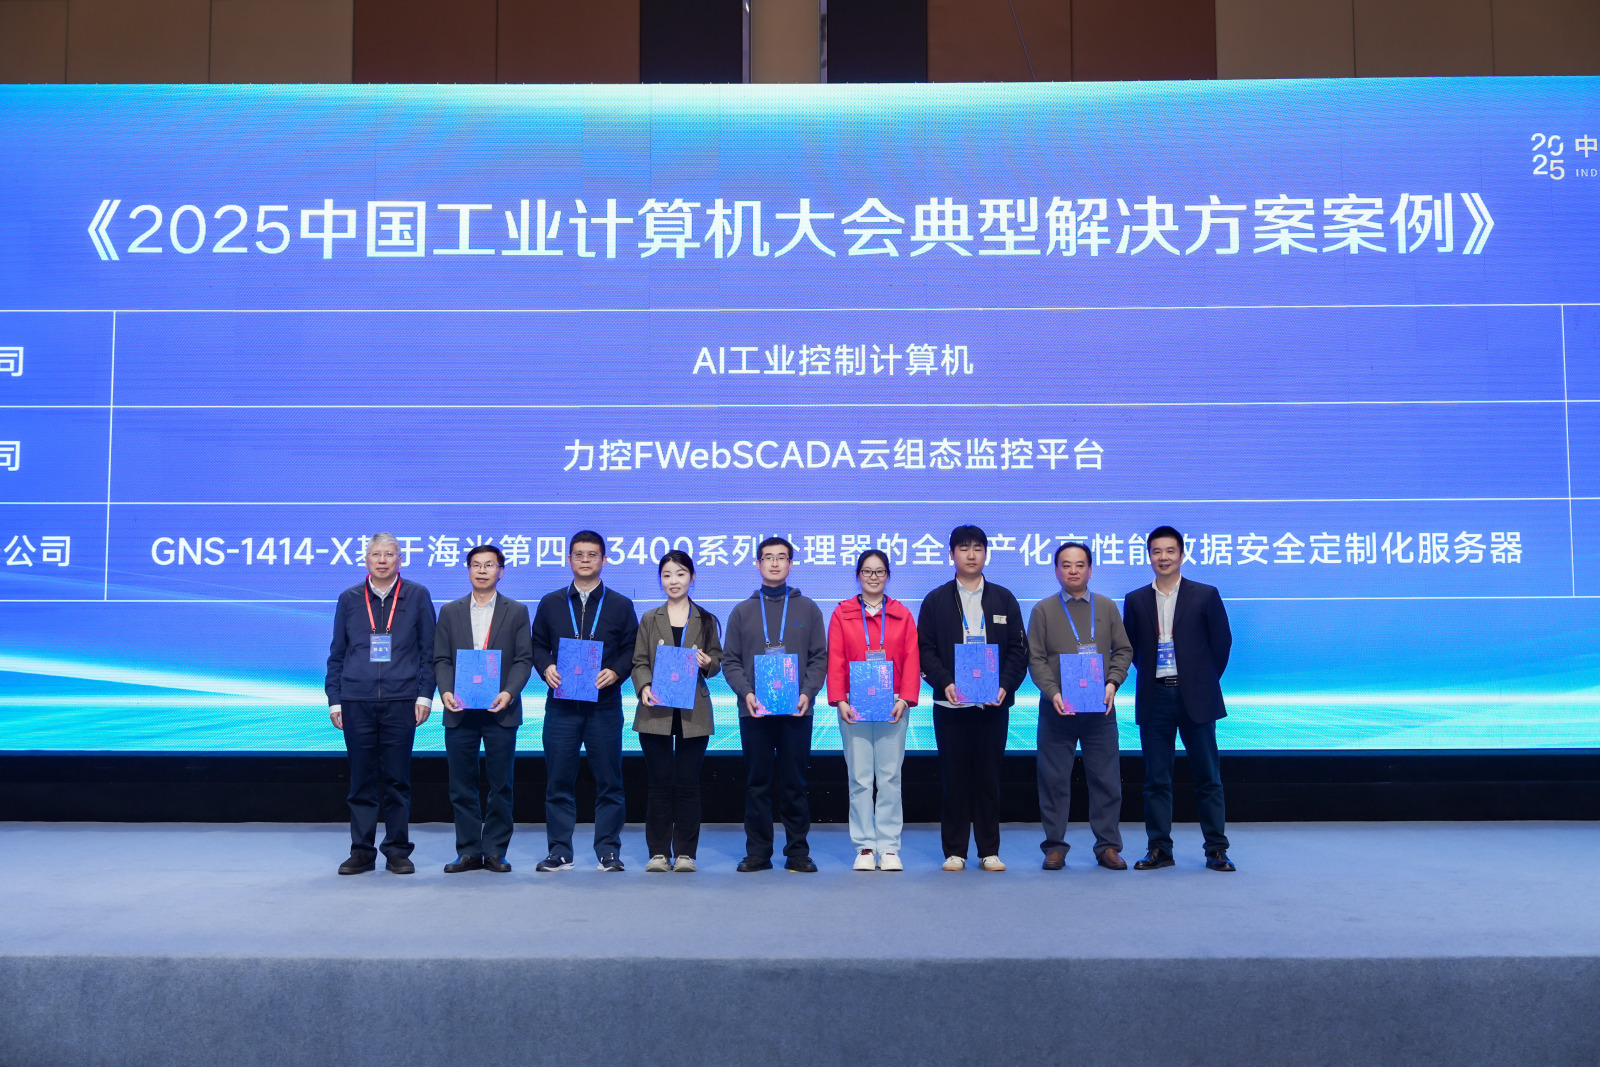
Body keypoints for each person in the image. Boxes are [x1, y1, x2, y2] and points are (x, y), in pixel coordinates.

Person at [1122, 525, 1236, 872]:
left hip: (1196, 698)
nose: (1164, 557)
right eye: (1157, 551)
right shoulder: (1136, 599)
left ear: (1182, 555)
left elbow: (1222, 644)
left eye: (1170, 551)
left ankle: (1216, 849)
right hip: (1155, 696)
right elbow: (1132, 648)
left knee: (1208, 778)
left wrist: (1201, 681)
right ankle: (1159, 849)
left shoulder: (1205, 594)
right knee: (1156, 780)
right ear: (1149, 556)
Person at [916, 525, 1029, 873]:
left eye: (978, 548)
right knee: (953, 779)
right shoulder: (936, 600)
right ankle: (955, 851)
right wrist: (945, 682)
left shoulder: (1004, 598)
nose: (971, 554)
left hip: (992, 705)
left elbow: (1018, 650)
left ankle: (988, 851)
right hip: (950, 705)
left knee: (988, 778)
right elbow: (925, 649)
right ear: (951, 554)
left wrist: (1005, 686)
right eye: (963, 548)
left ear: (986, 554)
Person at [324, 532, 436, 875]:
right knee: (361, 780)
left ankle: (397, 851)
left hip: (402, 700)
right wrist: (334, 700)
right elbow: (337, 653)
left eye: (389, 554)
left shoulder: (417, 595)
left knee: (397, 780)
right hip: (356, 700)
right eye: (376, 554)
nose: (383, 560)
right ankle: (361, 851)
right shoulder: (349, 598)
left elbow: (429, 652)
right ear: (367, 559)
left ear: (400, 559)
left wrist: (424, 694)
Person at [530, 531, 639, 873]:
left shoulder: (620, 604)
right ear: (569, 560)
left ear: (604, 560)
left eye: (592, 554)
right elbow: (536, 644)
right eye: (579, 554)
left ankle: (608, 851)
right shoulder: (550, 602)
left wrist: (616, 671)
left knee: (610, 782)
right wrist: (546, 667)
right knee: (558, 782)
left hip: (603, 706)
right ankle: (560, 851)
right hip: (561, 706)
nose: (585, 560)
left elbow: (632, 648)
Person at [721, 536, 828, 873]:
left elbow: (819, 657)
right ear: (758, 564)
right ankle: (758, 852)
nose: (775, 563)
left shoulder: (808, 608)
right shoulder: (742, 611)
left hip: (797, 709)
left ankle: (797, 852)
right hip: (754, 710)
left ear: (791, 564)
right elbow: (730, 660)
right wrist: (747, 694)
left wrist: (807, 693)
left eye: (782, 557)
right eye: (768, 557)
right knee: (757, 784)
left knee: (795, 783)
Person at [1027, 541, 1133, 871]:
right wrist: (1053, 692)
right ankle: (1055, 846)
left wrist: (1112, 683)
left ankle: (1108, 846)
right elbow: (1036, 658)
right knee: (1053, 780)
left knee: (1106, 780)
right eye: (1066, 565)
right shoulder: (1043, 610)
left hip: (1100, 709)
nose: (1073, 571)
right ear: (1056, 570)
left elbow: (1123, 650)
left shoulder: (1107, 607)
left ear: (1090, 569)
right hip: (1058, 709)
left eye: (1080, 565)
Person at [432, 544, 534, 874]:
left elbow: (523, 659)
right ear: (468, 570)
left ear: (500, 571)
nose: (482, 570)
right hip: (459, 709)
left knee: (501, 785)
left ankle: (495, 851)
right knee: (462, 785)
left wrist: (509, 692)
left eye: (489, 565)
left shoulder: (516, 611)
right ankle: (468, 851)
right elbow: (441, 658)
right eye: (476, 565)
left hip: (499, 709)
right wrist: (446, 691)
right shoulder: (450, 611)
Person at [826, 549, 920, 872]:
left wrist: (905, 699)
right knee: (860, 778)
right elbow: (836, 658)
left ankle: (890, 846)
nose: (873, 577)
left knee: (891, 777)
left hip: (893, 702)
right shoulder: (842, 613)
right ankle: (865, 846)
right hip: (854, 703)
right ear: (858, 576)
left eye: (880, 571)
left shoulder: (902, 614)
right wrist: (839, 700)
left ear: (888, 576)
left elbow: (912, 659)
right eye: (867, 571)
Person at [630, 550, 724, 873]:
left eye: (681, 574)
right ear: (660, 580)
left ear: (692, 578)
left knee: (688, 785)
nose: (674, 580)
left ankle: (685, 853)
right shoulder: (649, 618)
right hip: (655, 710)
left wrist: (708, 663)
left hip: (693, 712)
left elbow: (717, 661)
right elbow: (639, 661)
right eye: (667, 575)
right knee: (658, 784)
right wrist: (644, 686)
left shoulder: (706, 619)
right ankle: (658, 852)